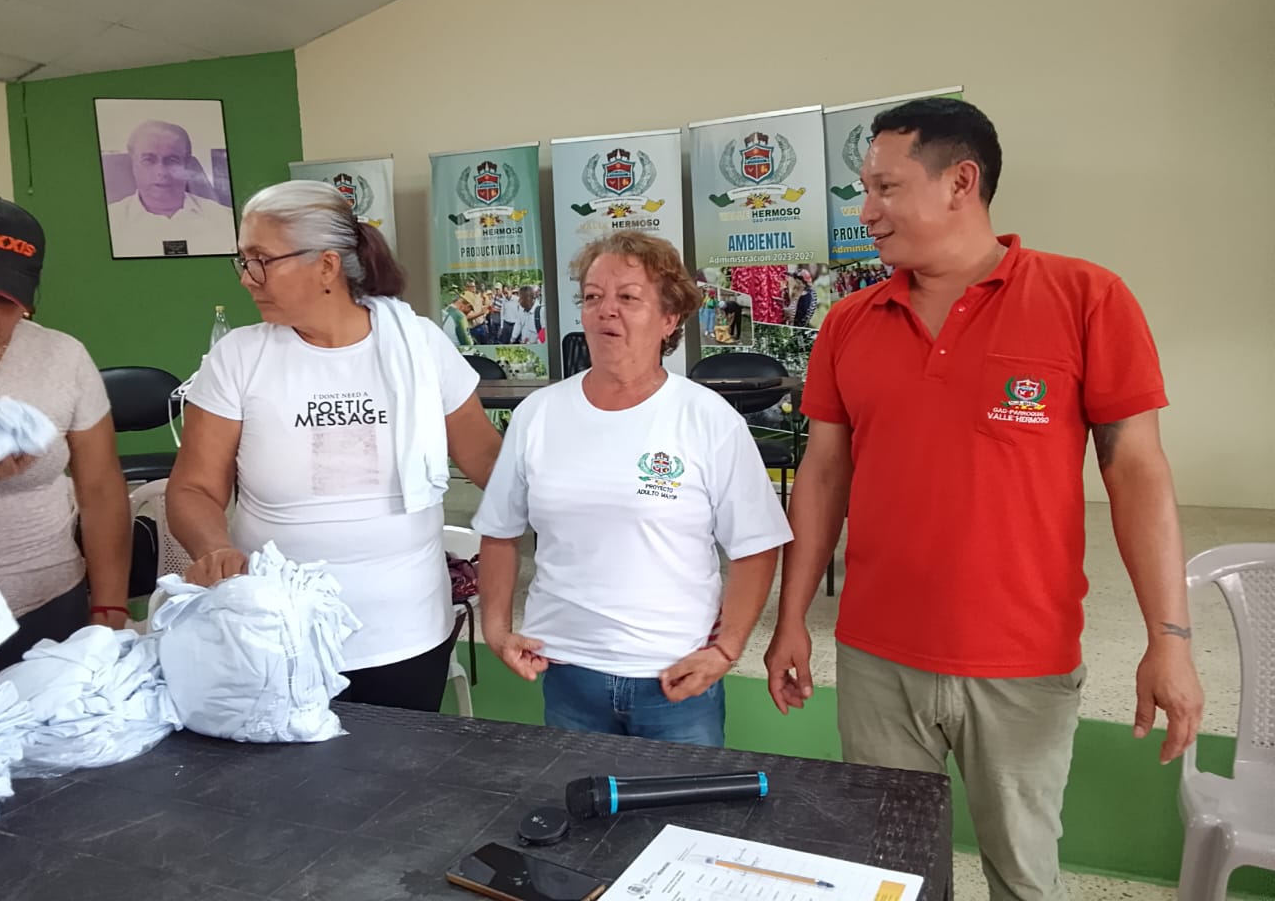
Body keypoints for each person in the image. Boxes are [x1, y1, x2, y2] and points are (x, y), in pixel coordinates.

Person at [763, 98, 1204, 900]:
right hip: (877, 658)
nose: (866, 212)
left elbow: (1138, 472)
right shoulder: (849, 323)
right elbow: (823, 475)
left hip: (1021, 660)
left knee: (1023, 874)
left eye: (886, 188)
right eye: (865, 190)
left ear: (960, 182)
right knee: (889, 875)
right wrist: (791, 617)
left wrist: (1168, 639)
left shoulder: (1085, 297)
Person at [166, 179, 502, 711]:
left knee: (399, 762)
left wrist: (572, 510)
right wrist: (215, 549)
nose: (247, 278)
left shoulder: (419, 346)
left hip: (406, 631)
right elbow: (195, 487)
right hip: (276, 632)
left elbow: (486, 458)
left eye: (261, 261)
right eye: (243, 261)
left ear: (326, 266)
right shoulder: (239, 358)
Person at [474, 231, 791, 746]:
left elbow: (756, 545)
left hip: (675, 679)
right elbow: (498, 532)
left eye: (628, 297)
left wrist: (726, 650)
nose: (606, 311)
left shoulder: (708, 419)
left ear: (669, 319)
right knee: (581, 798)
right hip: (566, 671)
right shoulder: (539, 414)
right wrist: (495, 629)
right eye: (592, 296)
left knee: (680, 801)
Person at [0, 197, 130, 674]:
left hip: (49, 602)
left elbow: (101, 487)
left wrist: (109, 609)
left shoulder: (62, 357)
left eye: (4, 302)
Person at [106, 121, 236, 258]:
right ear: (133, 165)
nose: (161, 172)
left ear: (186, 166)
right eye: (148, 160)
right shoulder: (110, 222)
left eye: (172, 160)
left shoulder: (226, 220)